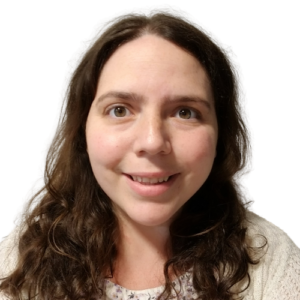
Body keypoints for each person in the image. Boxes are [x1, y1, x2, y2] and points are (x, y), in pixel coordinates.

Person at [0, 12, 299, 300]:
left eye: (185, 112)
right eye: (119, 110)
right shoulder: (18, 264)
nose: (153, 141)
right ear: (82, 130)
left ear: (221, 133)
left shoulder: (272, 263)